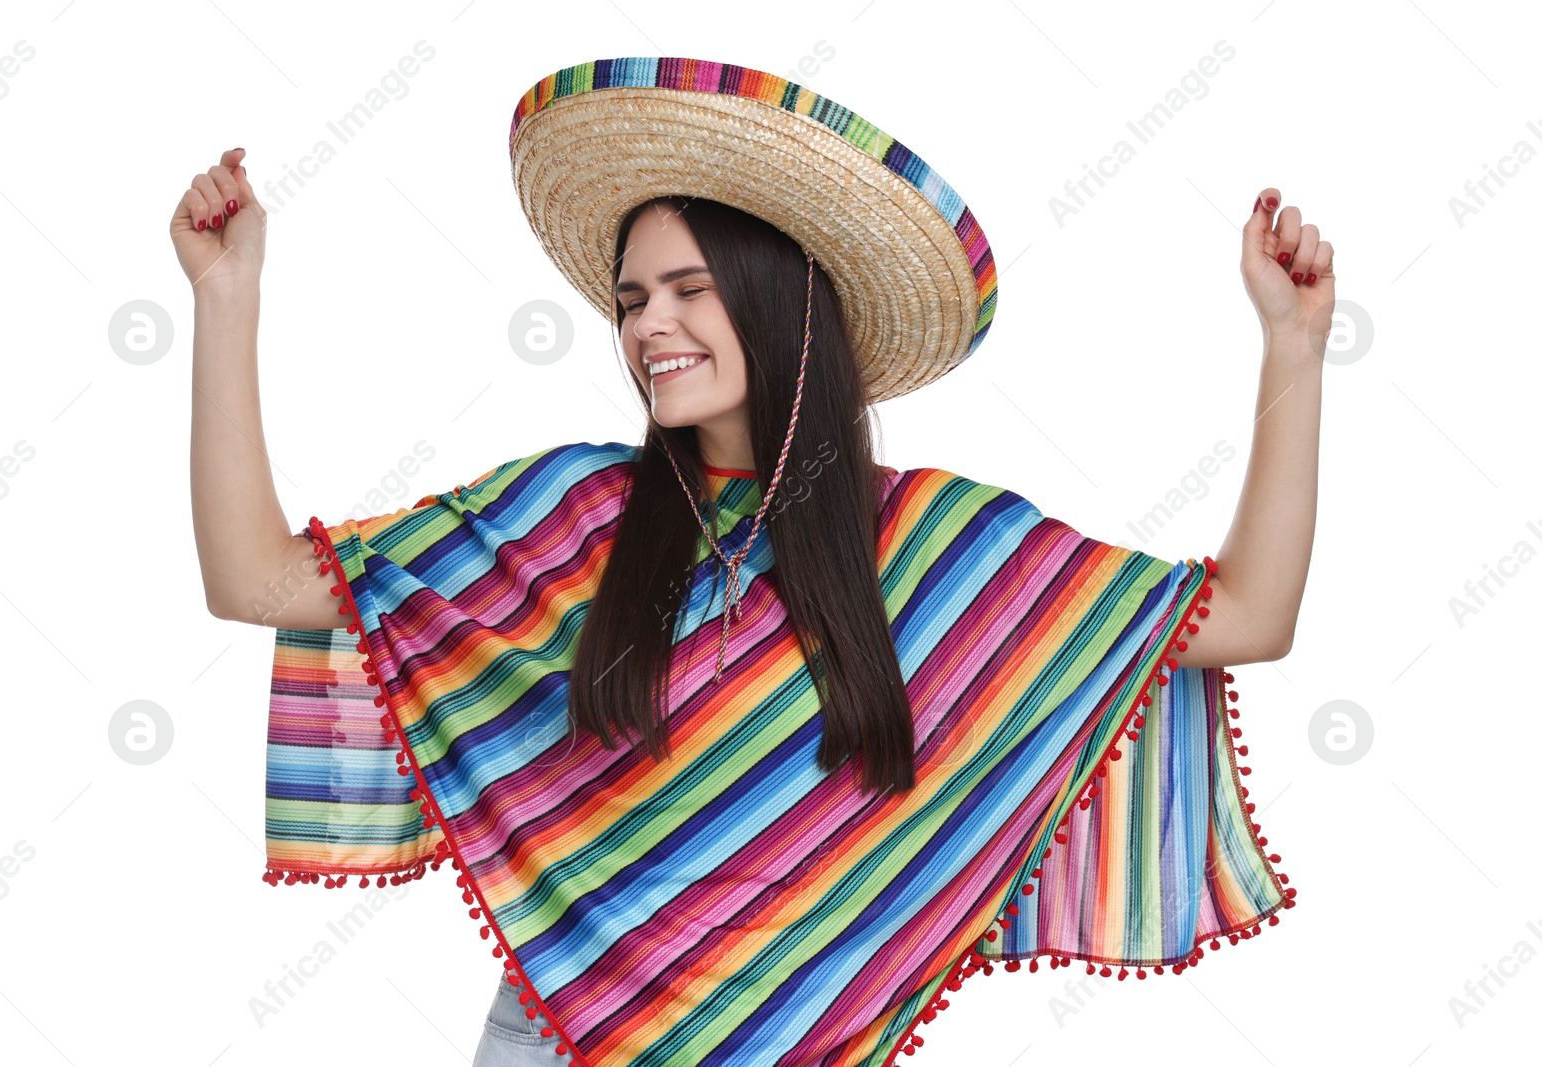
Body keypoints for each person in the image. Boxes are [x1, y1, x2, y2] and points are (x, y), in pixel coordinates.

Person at [174, 56, 1324, 1067]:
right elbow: (258, 583)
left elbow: (1248, 614)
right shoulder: (571, 512)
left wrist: (1295, 345)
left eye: (688, 289)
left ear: (786, 304)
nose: (646, 327)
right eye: (630, 300)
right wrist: (227, 299)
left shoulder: (929, 547)